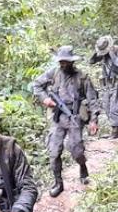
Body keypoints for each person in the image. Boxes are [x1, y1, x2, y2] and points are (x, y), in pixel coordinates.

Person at [33, 46, 100, 198]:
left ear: (72, 62)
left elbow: (92, 100)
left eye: (66, 62)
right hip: (58, 117)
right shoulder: (54, 73)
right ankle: (58, 183)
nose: (63, 64)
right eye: (61, 62)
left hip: (75, 116)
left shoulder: (82, 77)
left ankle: (82, 167)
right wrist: (45, 99)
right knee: (54, 151)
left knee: (77, 150)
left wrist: (93, 120)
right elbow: (37, 85)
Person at [89, 36, 118, 139]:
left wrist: (112, 54)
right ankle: (113, 129)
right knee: (106, 106)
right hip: (106, 84)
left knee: (115, 107)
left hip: (117, 83)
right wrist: (97, 53)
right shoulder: (103, 54)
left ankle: (116, 131)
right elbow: (91, 61)